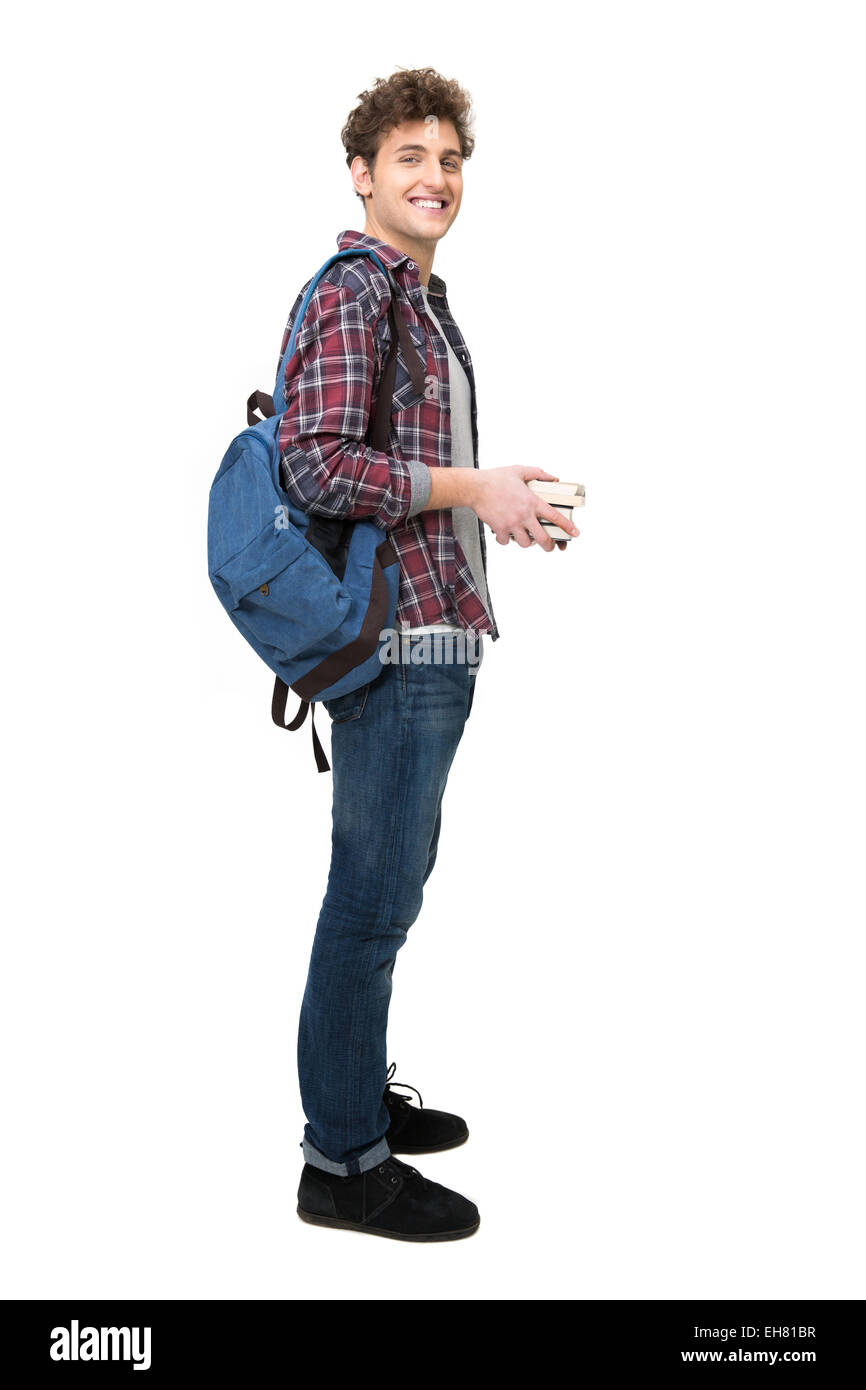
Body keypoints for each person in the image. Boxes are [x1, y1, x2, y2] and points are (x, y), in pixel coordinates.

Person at [276, 67, 580, 1242]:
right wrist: (471, 486)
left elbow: (400, 473)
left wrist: (500, 504)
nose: (434, 178)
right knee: (367, 902)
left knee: (387, 895)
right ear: (361, 174)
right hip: (394, 643)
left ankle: (358, 1098)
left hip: (435, 630)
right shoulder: (358, 292)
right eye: (408, 158)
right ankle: (339, 1164)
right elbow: (315, 465)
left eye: (448, 159)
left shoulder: (423, 298)